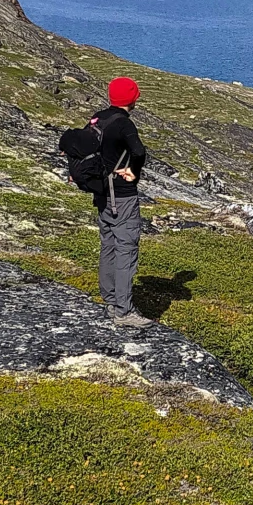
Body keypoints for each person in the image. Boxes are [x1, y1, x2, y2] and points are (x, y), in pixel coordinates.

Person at [93, 76, 150, 328]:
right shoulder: (124, 124)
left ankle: (109, 298)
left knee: (108, 244)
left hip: (101, 193)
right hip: (122, 196)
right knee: (126, 248)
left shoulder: (98, 118)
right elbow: (138, 152)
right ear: (133, 98)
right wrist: (133, 172)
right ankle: (123, 311)